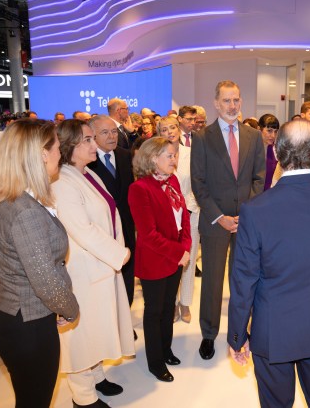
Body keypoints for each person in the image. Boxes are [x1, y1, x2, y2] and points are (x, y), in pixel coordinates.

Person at [227, 119, 310, 408]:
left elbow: (244, 279)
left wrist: (237, 334)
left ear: (277, 153)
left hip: (272, 329)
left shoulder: (254, 211)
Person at [0, 120, 79, 408]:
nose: (61, 154)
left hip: (8, 316)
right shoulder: (26, 211)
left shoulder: (2, 199)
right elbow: (45, 280)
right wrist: (70, 308)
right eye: (57, 147)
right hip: (29, 327)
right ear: (41, 154)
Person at [53, 120, 134, 408]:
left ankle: (96, 376)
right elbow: (83, 230)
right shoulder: (61, 182)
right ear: (69, 147)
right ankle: (83, 397)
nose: (94, 144)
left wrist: (116, 252)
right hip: (83, 269)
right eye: (87, 140)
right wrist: (119, 254)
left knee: (97, 327)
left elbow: (108, 216)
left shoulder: (87, 174)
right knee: (82, 335)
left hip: (101, 264)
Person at [190, 80, 265, 360]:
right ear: (216, 103)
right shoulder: (202, 138)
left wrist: (246, 214)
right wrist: (220, 217)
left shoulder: (253, 136)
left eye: (236, 100)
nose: (232, 106)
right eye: (226, 100)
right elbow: (198, 183)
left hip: (246, 222)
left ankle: (239, 332)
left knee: (243, 281)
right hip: (215, 222)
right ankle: (209, 334)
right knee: (212, 281)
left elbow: (259, 179)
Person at [128, 137, 192, 382]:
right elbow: (148, 234)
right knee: (154, 311)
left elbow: (184, 218)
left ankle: (166, 350)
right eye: (170, 155)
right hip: (155, 260)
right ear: (154, 158)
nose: (174, 159)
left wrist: (185, 246)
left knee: (168, 308)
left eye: (175, 155)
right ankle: (155, 362)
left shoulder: (172, 180)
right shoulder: (139, 188)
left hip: (175, 257)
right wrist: (178, 252)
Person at [86, 115, 137, 311]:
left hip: (126, 227)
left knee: (127, 275)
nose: (111, 136)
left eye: (114, 131)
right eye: (105, 132)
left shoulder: (124, 155)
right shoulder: (87, 162)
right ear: (93, 136)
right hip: (102, 230)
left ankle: (126, 313)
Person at [156, 116, 200, 324]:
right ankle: (172, 303)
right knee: (169, 261)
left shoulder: (190, 154)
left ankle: (185, 302)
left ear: (179, 128)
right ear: (159, 133)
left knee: (188, 260)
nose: (170, 132)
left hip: (190, 213)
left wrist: (188, 208)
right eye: (164, 129)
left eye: (173, 127)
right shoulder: (155, 156)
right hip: (166, 218)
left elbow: (197, 184)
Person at [257, 113, 280, 191]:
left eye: (275, 131)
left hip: (271, 194)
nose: (273, 135)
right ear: (259, 129)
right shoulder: (250, 149)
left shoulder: (277, 150)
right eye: (269, 131)